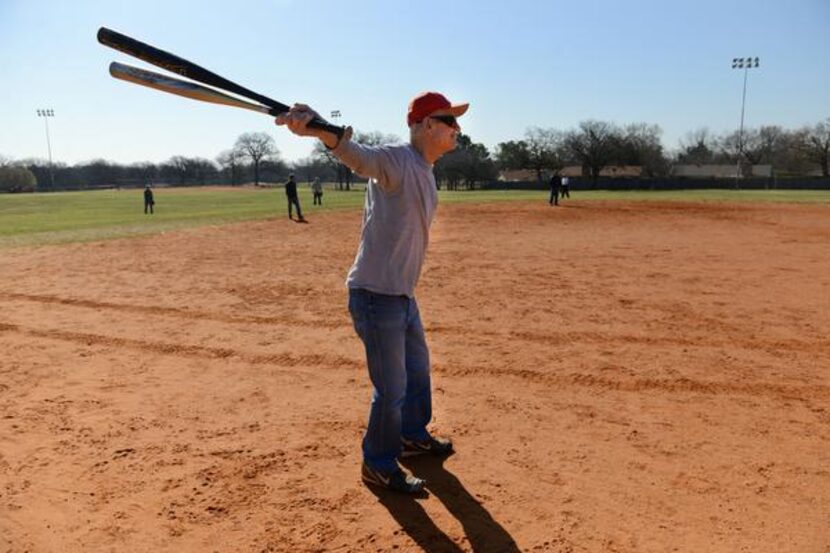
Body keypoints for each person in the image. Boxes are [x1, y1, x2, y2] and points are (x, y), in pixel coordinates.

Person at [276, 91, 467, 494]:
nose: (457, 129)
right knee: (392, 387)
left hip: (401, 296)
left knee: (418, 371)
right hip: (376, 295)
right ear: (426, 124)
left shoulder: (424, 169)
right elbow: (359, 156)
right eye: (450, 120)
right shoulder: (397, 158)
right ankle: (378, 464)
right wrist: (321, 131)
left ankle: (411, 437)